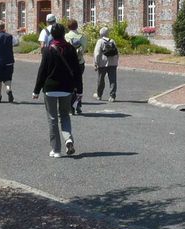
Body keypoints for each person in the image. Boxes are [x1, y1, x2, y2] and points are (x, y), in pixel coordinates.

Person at [32, 23, 84, 158]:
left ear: (52, 35)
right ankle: (68, 139)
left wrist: (36, 90)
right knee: (65, 115)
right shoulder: (71, 49)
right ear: (63, 33)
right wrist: (79, 89)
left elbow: (42, 71)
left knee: (53, 119)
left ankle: (56, 150)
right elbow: (77, 71)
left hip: (50, 88)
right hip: (67, 88)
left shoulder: (48, 50)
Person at [0, 21, 19, 103]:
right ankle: (8, 89)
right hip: (9, 61)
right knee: (7, 78)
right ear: (4, 28)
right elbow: (17, 43)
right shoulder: (10, 36)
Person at [64, 19, 86, 114]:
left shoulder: (65, 37)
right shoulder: (82, 37)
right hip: (80, 62)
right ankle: (78, 104)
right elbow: (84, 49)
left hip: (68, 64)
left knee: (69, 85)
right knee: (79, 83)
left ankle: (70, 106)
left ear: (68, 27)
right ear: (77, 26)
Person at [93, 27, 120, 101]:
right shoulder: (112, 41)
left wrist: (96, 63)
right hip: (113, 63)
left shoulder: (100, 41)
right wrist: (116, 62)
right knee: (113, 80)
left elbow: (97, 53)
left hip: (102, 63)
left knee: (101, 79)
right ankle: (112, 96)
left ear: (100, 33)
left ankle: (99, 95)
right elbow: (117, 53)